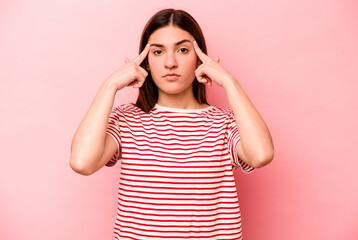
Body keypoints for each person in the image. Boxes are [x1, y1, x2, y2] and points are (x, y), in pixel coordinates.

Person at [70, 8, 274, 240]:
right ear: (145, 61)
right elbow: (81, 163)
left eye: (183, 50)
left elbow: (261, 155)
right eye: (157, 51)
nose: (170, 63)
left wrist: (229, 82)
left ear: (199, 58)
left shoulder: (225, 124)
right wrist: (109, 86)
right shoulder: (126, 120)